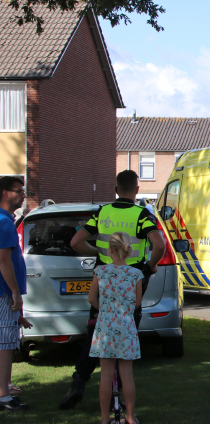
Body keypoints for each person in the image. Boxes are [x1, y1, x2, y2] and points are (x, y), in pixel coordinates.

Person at [59, 170, 165, 409]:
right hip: (132, 278)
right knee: (127, 331)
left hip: (105, 279)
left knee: (96, 331)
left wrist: (99, 253)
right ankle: (121, 389)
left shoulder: (102, 212)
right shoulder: (142, 215)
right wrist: (150, 266)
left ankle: (79, 381)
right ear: (137, 190)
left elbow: (75, 242)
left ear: (116, 190)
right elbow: (159, 245)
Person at [89, 232, 142, 424]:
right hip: (126, 326)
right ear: (128, 250)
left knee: (105, 374)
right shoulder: (136, 274)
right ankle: (130, 417)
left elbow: (91, 299)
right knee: (126, 374)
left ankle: (104, 419)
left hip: (105, 327)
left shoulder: (100, 272)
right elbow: (137, 303)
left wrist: (103, 309)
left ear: (110, 249)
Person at [0, 176, 28, 411]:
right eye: (19, 191)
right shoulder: (5, 223)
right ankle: (3, 396)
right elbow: (4, 260)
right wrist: (15, 291)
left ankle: (5, 387)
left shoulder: (6, 220)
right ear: (5, 193)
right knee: (5, 342)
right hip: (4, 292)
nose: (23, 194)